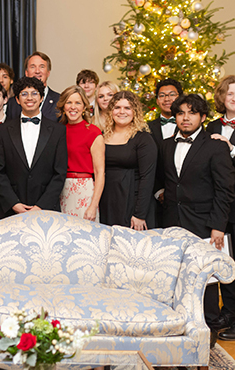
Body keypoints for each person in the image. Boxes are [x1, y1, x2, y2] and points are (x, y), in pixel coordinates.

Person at [160, 93, 235, 344]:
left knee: (207, 277)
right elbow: (167, 179)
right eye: (180, 113)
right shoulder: (167, 145)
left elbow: (225, 190)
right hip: (173, 219)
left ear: (203, 117)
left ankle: (210, 326)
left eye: (192, 113)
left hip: (204, 221)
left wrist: (217, 226)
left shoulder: (215, 146)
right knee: (177, 273)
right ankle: (179, 324)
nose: (185, 118)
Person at [0, 76, 67, 218]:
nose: (29, 98)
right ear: (17, 99)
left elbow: (60, 173)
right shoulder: (4, 130)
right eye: (24, 94)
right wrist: (13, 203)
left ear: (41, 98)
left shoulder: (58, 130)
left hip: (47, 209)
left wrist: (41, 206)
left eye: (34, 93)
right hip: (12, 209)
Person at [99, 91, 157, 230]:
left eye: (127, 108)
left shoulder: (143, 139)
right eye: (117, 107)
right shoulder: (102, 135)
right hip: (107, 201)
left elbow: (147, 178)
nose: (121, 112)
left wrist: (139, 214)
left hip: (132, 203)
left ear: (135, 111)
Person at [205, 76, 235, 340]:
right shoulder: (212, 125)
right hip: (219, 204)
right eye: (230, 93)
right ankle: (228, 312)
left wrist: (231, 149)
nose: (234, 98)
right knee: (224, 259)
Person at [57, 86, 105, 221]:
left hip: (85, 191)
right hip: (61, 190)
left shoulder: (93, 132)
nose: (73, 107)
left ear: (84, 107)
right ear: (63, 106)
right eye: (69, 102)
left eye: (78, 103)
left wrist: (93, 205)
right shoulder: (57, 131)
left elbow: (100, 172)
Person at [148, 78, 183, 227]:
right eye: (162, 95)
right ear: (157, 101)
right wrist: (158, 191)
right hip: (153, 196)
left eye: (171, 94)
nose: (167, 99)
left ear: (180, 97)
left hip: (183, 199)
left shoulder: (189, 127)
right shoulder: (146, 128)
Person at [6, 52, 60, 122]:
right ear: (26, 72)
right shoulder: (12, 103)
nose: (37, 71)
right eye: (33, 67)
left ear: (48, 72)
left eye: (42, 67)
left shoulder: (59, 101)